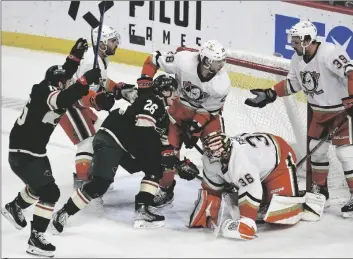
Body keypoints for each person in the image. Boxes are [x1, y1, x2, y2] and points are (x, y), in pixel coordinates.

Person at [50, 74, 198, 232]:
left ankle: (64, 213)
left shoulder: (161, 113)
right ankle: (141, 209)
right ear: (164, 91)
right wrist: (169, 161)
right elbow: (144, 131)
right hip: (115, 140)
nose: (176, 95)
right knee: (153, 165)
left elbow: (161, 145)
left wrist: (176, 163)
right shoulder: (153, 100)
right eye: (173, 91)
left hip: (117, 140)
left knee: (102, 184)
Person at [1, 38, 103, 257]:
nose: (68, 82)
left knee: (41, 187)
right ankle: (35, 239)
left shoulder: (47, 85)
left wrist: (75, 56)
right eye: (65, 81)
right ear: (58, 84)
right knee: (50, 192)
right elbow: (66, 96)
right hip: (24, 153)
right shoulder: (48, 94)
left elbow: (64, 74)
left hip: (32, 151)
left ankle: (14, 207)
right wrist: (84, 81)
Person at [244, 21, 353, 218]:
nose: (292, 44)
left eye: (296, 40)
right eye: (292, 40)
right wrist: (270, 94)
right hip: (319, 113)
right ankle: (320, 193)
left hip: (341, 112)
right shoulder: (297, 59)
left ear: (308, 40)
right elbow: (293, 84)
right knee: (316, 153)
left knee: (346, 154)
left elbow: (351, 72)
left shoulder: (329, 52)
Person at [137, 40, 231, 207]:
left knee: (216, 154)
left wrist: (195, 128)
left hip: (208, 118)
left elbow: (209, 111)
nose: (221, 66)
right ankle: (166, 190)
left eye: (222, 61)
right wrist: (145, 87)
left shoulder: (222, 83)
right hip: (178, 112)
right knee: (166, 156)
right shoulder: (183, 61)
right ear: (206, 61)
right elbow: (152, 60)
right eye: (217, 62)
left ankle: (215, 194)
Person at [187, 131, 326, 240]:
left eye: (219, 155)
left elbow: (252, 189)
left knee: (278, 216)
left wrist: (247, 221)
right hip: (259, 159)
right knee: (260, 205)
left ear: (227, 151)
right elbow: (212, 188)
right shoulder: (209, 159)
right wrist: (206, 214)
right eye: (211, 155)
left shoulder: (242, 161)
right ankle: (266, 197)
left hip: (279, 156)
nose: (214, 159)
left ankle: (307, 204)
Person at [59, 24, 137, 189]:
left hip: (77, 104)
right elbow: (79, 94)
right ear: (101, 43)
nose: (116, 44)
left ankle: (92, 174)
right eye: (112, 41)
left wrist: (118, 89)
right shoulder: (90, 61)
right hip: (69, 104)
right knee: (87, 142)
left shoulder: (100, 59)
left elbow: (101, 83)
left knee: (102, 135)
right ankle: (82, 183)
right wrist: (97, 101)